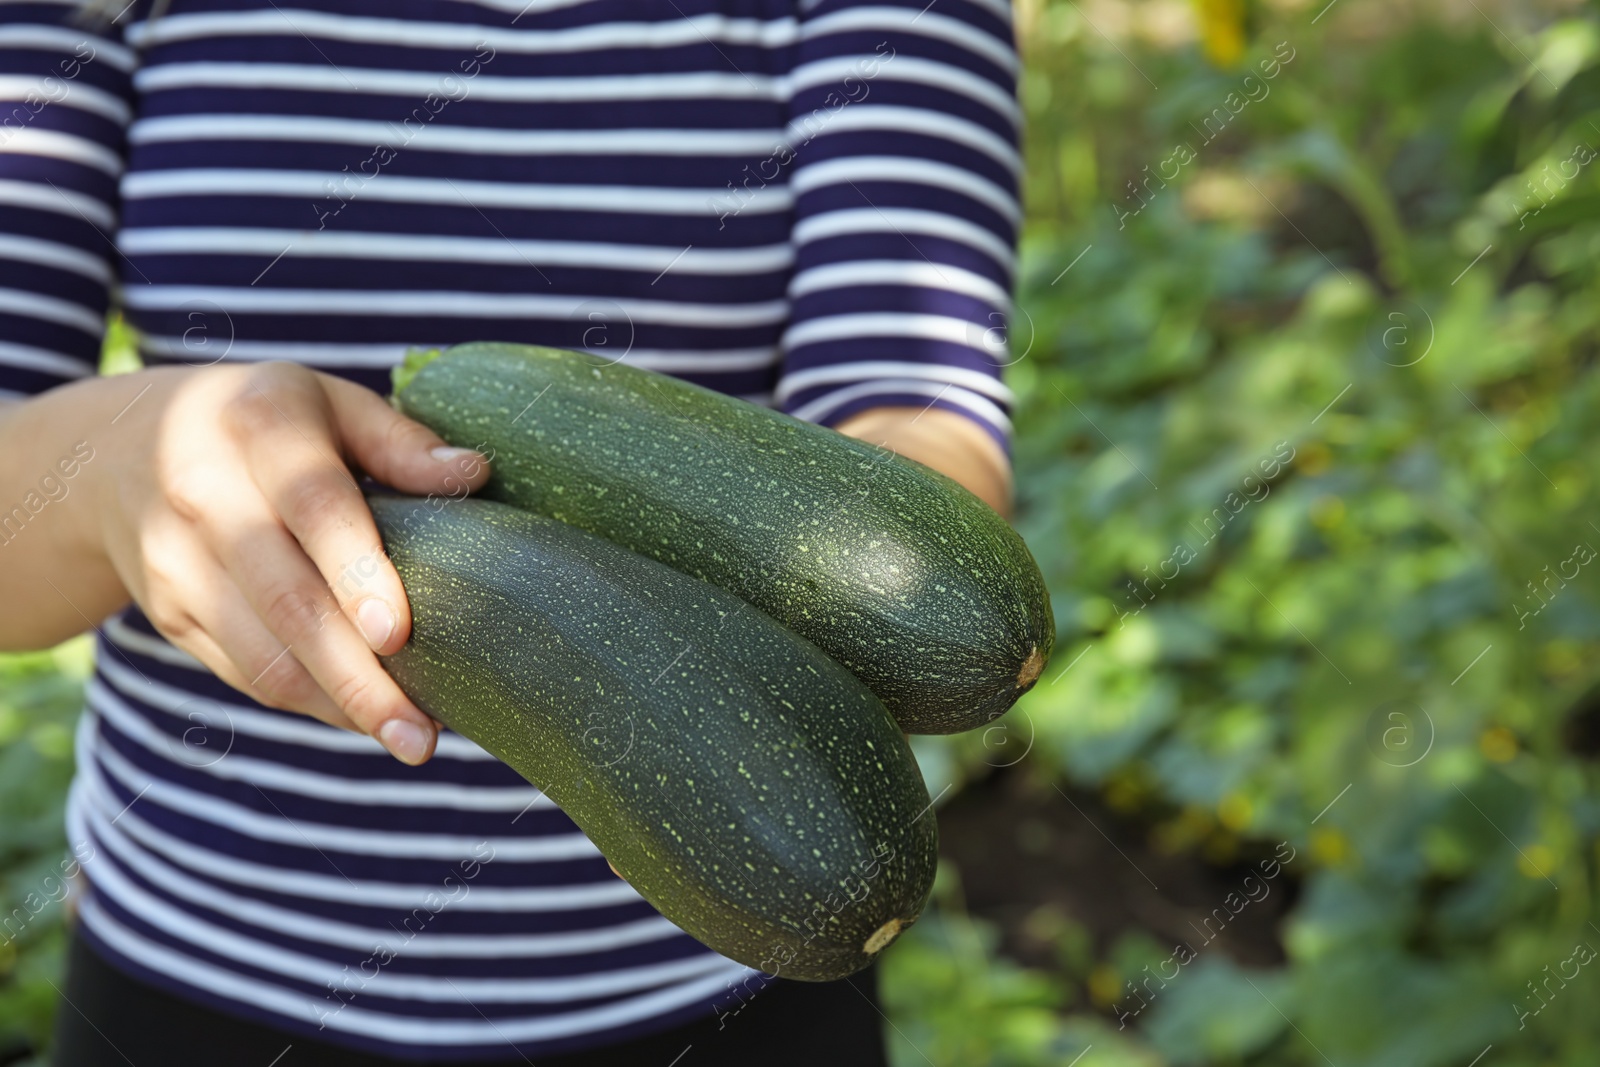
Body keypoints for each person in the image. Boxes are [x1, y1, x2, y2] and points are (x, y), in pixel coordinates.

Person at [0, 0, 1020, 1061]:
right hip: (197, 979)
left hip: (726, 973)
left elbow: (908, 404)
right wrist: (123, 460)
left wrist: (903, 596)